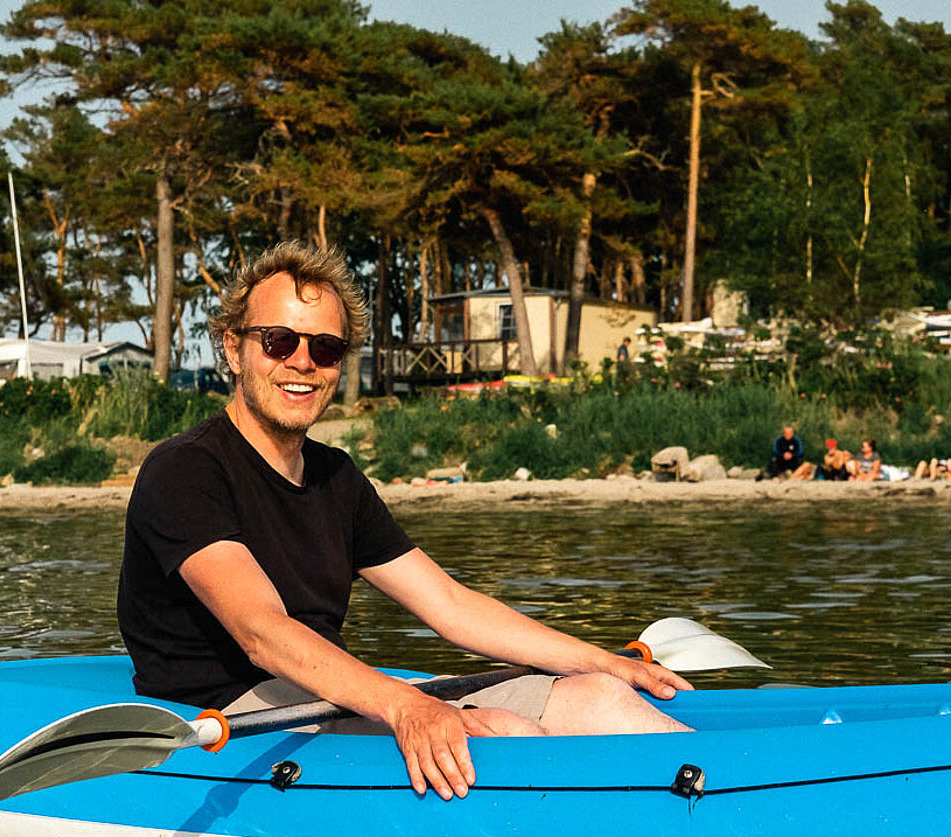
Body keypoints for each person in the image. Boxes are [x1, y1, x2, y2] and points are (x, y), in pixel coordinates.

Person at [118, 242, 692, 802]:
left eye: (325, 348)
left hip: (320, 688)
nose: (302, 363)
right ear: (234, 348)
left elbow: (449, 605)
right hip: (228, 706)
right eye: (279, 341)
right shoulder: (185, 471)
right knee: (497, 732)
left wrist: (603, 660)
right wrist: (405, 705)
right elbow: (261, 632)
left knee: (596, 697)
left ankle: (738, 813)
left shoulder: (335, 477)